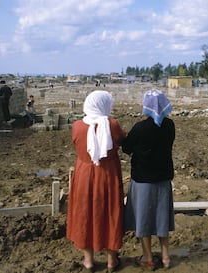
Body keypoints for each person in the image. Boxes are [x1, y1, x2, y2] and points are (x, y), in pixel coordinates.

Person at [67, 90, 126, 273]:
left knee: (85, 213)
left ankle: (88, 260)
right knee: (110, 212)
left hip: (84, 174)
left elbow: (77, 143)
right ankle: (111, 260)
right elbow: (123, 140)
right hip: (107, 174)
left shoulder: (77, 126)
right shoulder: (112, 125)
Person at [122, 89, 175, 270]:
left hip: (142, 181)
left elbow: (127, 148)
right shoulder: (170, 126)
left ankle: (148, 257)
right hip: (163, 180)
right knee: (162, 220)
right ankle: (166, 257)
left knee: (143, 220)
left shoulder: (140, 128)